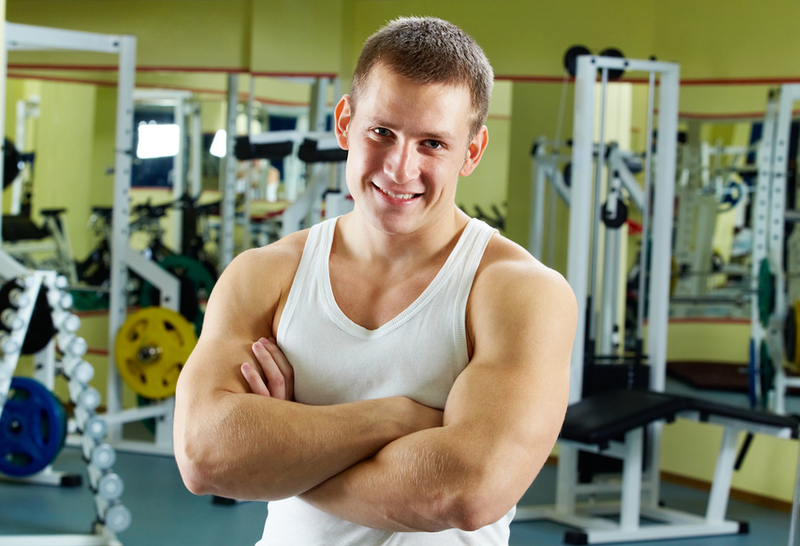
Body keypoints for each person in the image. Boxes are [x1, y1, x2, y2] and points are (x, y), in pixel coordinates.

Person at [173, 16, 577, 546]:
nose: (400, 168)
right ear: (345, 122)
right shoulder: (265, 274)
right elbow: (205, 457)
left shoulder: (518, 292)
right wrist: (394, 418)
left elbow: (463, 492)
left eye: (432, 143)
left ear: (472, 152)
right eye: (381, 132)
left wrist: (281, 456)